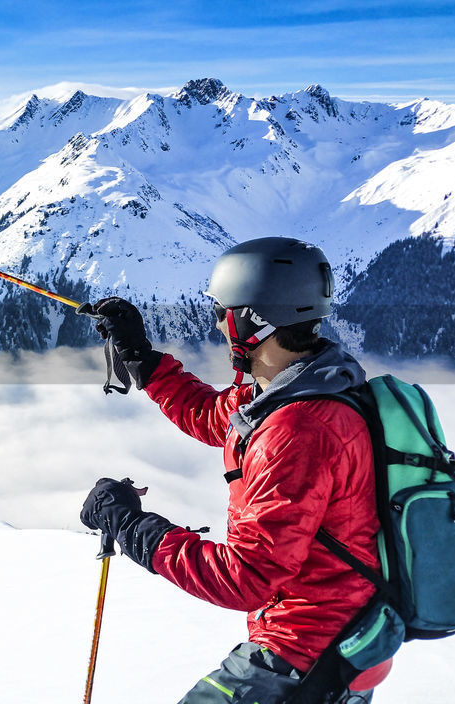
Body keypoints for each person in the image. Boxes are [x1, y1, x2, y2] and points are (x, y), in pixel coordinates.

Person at [77, 237, 389, 703]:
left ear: (252, 320)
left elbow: (246, 577)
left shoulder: (298, 430)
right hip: (341, 645)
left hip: (301, 658)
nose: (219, 324)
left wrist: (131, 526)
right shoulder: (303, 387)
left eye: (223, 311)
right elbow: (211, 415)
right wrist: (142, 357)